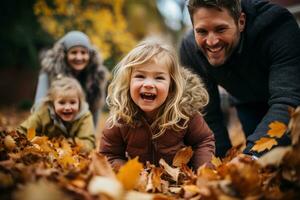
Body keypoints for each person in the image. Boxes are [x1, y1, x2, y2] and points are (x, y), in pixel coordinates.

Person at [180, 0, 300, 157]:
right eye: (202, 31)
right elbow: (208, 116)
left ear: (241, 21)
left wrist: (250, 158)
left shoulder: (277, 25)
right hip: (246, 102)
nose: (211, 41)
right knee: (265, 168)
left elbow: (288, 100)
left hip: (289, 101)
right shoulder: (190, 50)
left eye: (221, 29)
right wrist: (223, 165)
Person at [99, 39, 215, 171]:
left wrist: (201, 171)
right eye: (140, 76)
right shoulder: (121, 119)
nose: (148, 84)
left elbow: (203, 141)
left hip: (177, 181)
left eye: (159, 78)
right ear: (128, 82)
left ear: (171, 86)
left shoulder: (184, 114)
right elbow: (109, 154)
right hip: (139, 183)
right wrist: (132, 173)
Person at [34, 30, 108, 127]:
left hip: (80, 130)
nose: (79, 57)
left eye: (83, 52)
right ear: (64, 54)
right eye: (73, 52)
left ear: (89, 55)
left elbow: (95, 108)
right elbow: (39, 105)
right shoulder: (49, 72)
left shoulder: (97, 76)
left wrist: (91, 136)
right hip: (52, 126)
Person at [18, 77, 95, 153]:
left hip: (71, 154)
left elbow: (88, 142)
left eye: (72, 102)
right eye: (61, 102)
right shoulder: (43, 112)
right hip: (45, 151)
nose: (67, 107)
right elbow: (23, 131)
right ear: (52, 103)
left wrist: (67, 144)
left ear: (79, 102)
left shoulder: (85, 116)